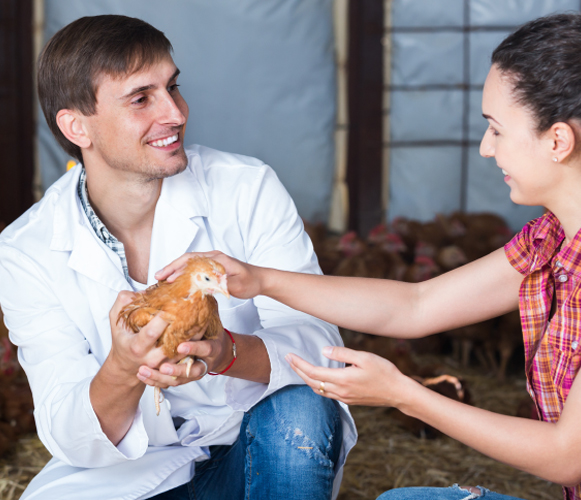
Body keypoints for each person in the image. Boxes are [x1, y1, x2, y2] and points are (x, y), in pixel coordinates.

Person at [157, 12, 581, 500]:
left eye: (497, 130)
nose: (486, 148)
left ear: (557, 141)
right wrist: (260, 280)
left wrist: (404, 395)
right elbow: (417, 305)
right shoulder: (549, 240)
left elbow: (568, 456)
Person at [0, 15, 356, 500]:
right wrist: (124, 369)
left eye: (173, 87)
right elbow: (67, 429)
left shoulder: (246, 188)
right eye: (141, 98)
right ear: (76, 126)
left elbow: (320, 350)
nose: (175, 112)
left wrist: (225, 354)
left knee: (303, 408)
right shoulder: (27, 249)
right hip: (126, 478)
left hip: (257, 450)